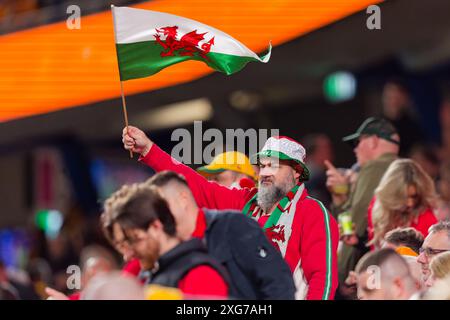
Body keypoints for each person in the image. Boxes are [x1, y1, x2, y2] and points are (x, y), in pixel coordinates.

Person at [122, 127, 339, 300]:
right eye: (262, 166)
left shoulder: (312, 211)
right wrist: (149, 150)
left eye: (274, 166)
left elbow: (322, 278)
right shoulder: (245, 201)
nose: (264, 173)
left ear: (297, 173)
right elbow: (196, 186)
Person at [146, 170, 296, 300]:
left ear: (182, 199)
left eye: (163, 207)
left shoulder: (233, 225)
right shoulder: (169, 248)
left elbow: (278, 282)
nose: (159, 215)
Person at [102, 183, 230, 298]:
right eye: (123, 245)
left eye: (134, 240)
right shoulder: (150, 274)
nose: (127, 255)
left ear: (155, 227)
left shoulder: (200, 275)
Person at [325, 117, 400, 296]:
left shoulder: (375, 167)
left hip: (363, 272)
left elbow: (353, 227)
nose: (355, 149)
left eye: (358, 142)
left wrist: (340, 195)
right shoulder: (397, 168)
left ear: (374, 141)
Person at [368, 159, 438, 249]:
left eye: (414, 196)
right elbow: (374, 248)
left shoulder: (426, 216)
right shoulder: (377, 207)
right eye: (403, 198)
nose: (410, 203)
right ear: (391, 194)